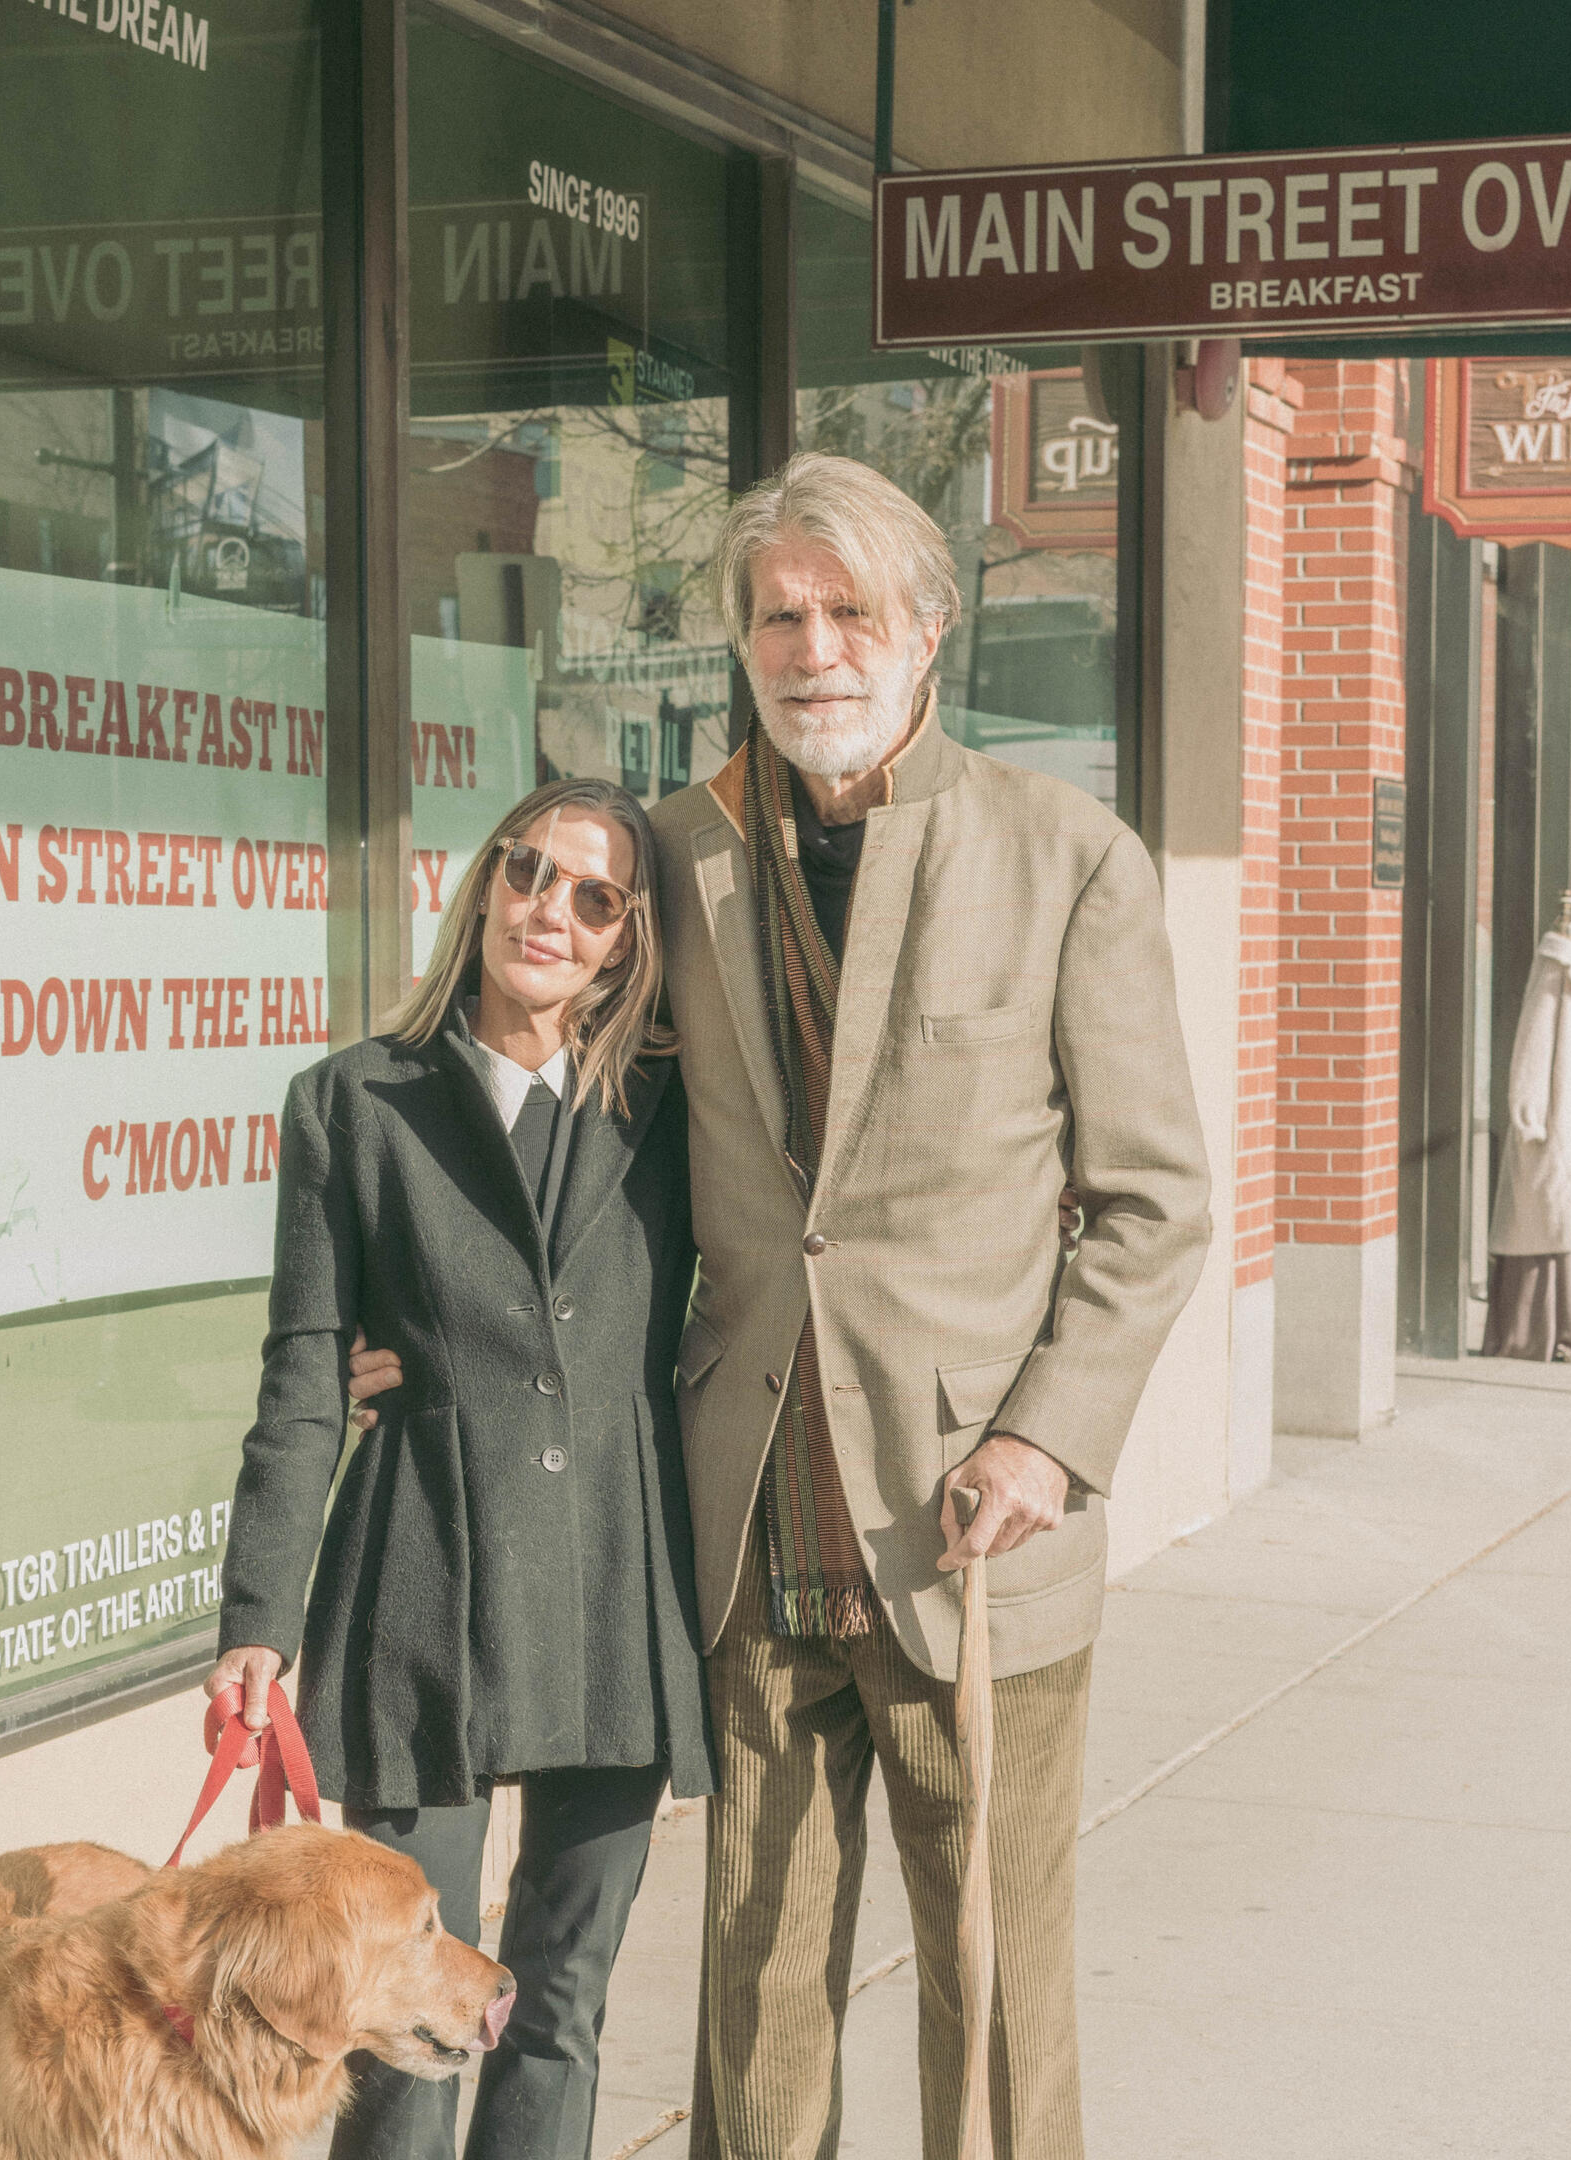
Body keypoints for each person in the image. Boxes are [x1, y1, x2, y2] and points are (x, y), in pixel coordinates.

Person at [649, 452, 1212, 2160]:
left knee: (993, 1978)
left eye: (849, 610)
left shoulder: (1068, 857)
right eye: (779, 616)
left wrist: (1048, 1440)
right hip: (755, 1516)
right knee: (751, 1983)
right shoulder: (670, 857)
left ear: (927, 627)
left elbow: (1153, 1202)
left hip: (974, 1524)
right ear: (741, 645)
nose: (813, 647)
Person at [204, 778, 713, 2160]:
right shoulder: (354, 1102)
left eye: (594, 897)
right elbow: (305, 1371)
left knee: (556, 1999)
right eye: (530, 872)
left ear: (627, 941)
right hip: (416, 1575)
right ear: (487, 884)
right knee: (408, 2011)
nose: (551, 910)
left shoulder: (668, 1111)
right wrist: (258, 1616)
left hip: (617, 1580)